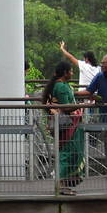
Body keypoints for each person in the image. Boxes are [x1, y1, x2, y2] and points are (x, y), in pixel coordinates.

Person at [41, 61, 85, 195]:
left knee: (70, 152)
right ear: (65, 73)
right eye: (71, 71)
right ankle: (61, 185)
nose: (72, 73)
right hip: (66, 125)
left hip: (65, 124)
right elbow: (65, 107)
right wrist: (81, 106)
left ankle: (66, 183)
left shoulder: (61, 85)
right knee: (67, 153)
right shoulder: (61, 86)